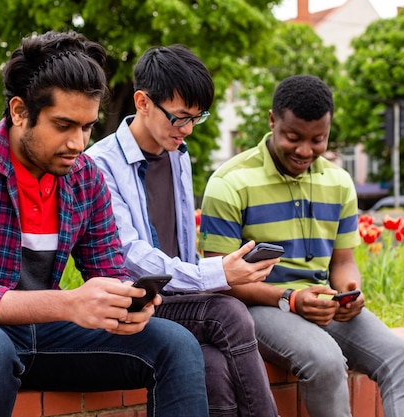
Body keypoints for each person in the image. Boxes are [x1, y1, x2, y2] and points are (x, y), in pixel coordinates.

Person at [0, 31, 209, 417]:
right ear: (19, 111)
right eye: (63, 125)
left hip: (41, 333)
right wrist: (67, 303)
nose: (78, 143)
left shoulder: (85, 177)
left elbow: (109, 271)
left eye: (87, 127)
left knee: (175, 343)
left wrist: (128, 304)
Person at [199, 74, 404, 417]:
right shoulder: (229, 182)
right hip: (258, 307)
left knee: (403, 357)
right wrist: (291, 299)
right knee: (325, 360)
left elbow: (343, 261)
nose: (305, 151)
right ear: (272, 120)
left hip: (321, 302)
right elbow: (219, 279)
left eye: (318, 139)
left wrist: (350, 290)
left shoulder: (338, 182)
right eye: (293, 138)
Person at [86, 45, 279, 417]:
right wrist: (218, 273)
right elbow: (131, 256)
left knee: (213, 364)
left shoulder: (179, 153)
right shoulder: (100, 164)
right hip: (136, 304)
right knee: (230, 313)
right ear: (142, 102)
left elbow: (184, 248)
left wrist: (214, 276)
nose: (188, 129)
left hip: (180, 299)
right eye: (179, 117)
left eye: (197, 118)